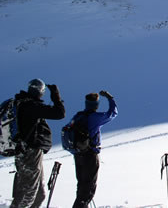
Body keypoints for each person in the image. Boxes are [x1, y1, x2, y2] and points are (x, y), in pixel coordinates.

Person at [10, 78, 65, 208]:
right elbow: (59, 113)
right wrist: (56, 96)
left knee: (38, 194)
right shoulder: (31, 106)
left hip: (23, 151)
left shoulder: (20, 103)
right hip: (30, 152)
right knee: (28, 194)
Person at [70, 90, 118, 208]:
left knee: (81, 185)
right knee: (88, 187)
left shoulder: (78, 116)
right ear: (96, 105)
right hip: (90, 154)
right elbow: (113, 113)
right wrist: (110, 98)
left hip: (78, 154)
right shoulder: (95, 117)